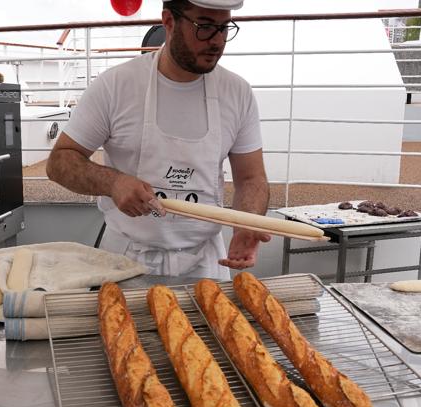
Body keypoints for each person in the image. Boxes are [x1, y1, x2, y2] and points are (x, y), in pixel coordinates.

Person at [46, 0, 270, 279]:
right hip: (127, 260)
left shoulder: (238, 93)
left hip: (207, 262)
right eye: (205, 27)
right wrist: (113, 182)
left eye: (224, 28)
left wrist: (247, 222)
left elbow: (251, 179)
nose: (217, 41)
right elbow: (59, 161)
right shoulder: (115, 86)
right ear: (169, 21)